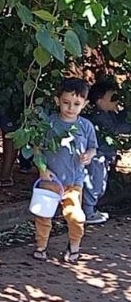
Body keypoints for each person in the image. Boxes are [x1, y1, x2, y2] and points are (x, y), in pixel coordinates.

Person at [33, 78, 97, 264]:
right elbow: (38, 148)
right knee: (43, 215)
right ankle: (41, 246)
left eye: (76, 104)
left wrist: (89, 155)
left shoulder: (86, 126)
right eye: (66, 102)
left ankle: (74, 246)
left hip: (74, 181)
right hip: (49, 179)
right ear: (57, 100)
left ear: (85, 104)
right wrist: (42, 170)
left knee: (76, 216)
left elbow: (93, 147)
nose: (70, 108)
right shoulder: (49, 123)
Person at [83, 80, 130, 224]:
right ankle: (88, 212)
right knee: (94, 184)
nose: (116, 99)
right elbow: (115, 129)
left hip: (104, 155)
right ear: (100, 100)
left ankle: (91, 209)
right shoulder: (98, 115)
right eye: (112, 96)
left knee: (100, 185)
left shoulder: (109, 113)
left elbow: (121, 118)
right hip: (97, 155)